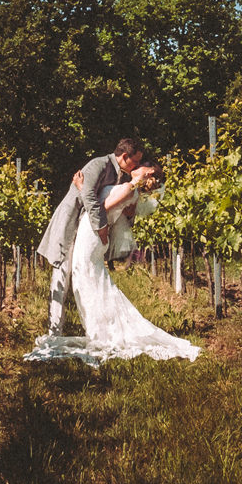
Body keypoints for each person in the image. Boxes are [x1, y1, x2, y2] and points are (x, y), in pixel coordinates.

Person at [26, 158, 201, 366]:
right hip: (93, 236)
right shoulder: (128, 188)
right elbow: (122, 211)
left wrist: (82, 187)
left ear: (147, 173)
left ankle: (102, 333)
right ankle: (100, 331)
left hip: (93, 236)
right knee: (90, 282)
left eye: (146, 169)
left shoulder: (128, 189)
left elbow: (102, 208)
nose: (139, 168)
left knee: (89, 281)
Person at [35, 138, 145, 337]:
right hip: (70, 224)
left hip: (86, 229)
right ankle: (54, 331)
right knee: (62, 274)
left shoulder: (120, 174)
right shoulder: (99, 164)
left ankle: (95, 327)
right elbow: (89, 197)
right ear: (124, 156)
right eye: (134, 162)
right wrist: (102, 227)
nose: (136, 166)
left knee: (82, 273)